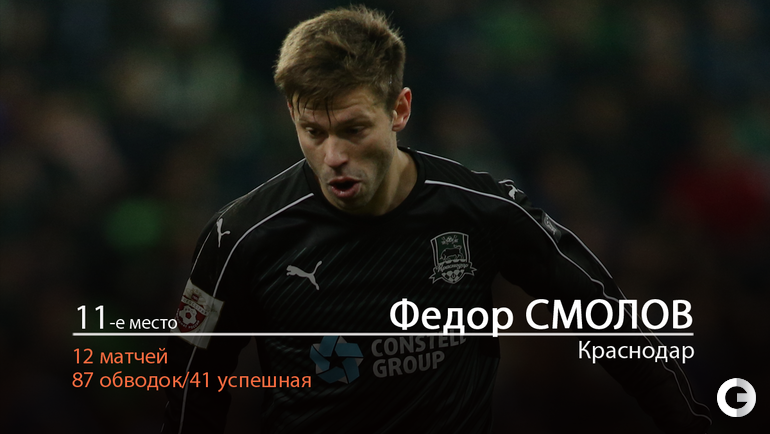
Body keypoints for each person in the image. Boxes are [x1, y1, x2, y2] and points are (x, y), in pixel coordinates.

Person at [161, 6, 711, 433]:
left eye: (354, 130)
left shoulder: (480, 209)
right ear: (291, 115)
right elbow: (189, 379)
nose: (333, 156)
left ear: (399, 110)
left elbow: (606, 314)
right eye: (313, 131)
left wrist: (686, 424)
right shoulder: (239, 237)